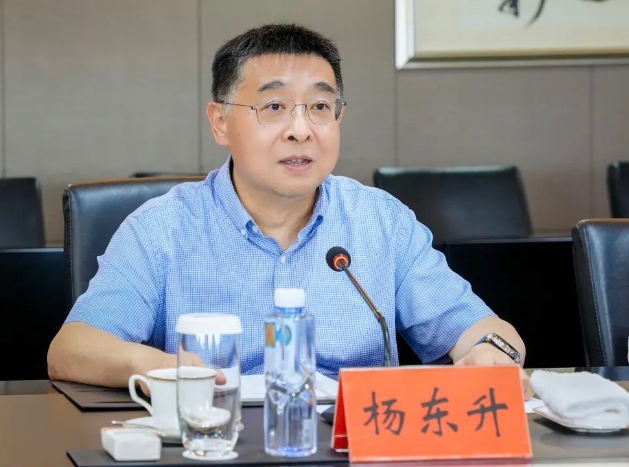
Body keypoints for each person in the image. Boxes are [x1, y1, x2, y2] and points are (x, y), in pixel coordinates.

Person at [47, 23, 533, 398]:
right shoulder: (162, 228)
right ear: (220, 122)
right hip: (212, 443)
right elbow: (71, 349)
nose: (301, 130)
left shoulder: (380, 222)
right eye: (275, 107)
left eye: (320, 107)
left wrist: (493, 354)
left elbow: (487, 332)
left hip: (353, 449)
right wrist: (158, 367)